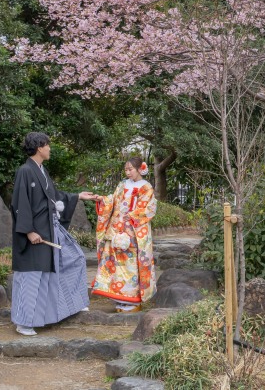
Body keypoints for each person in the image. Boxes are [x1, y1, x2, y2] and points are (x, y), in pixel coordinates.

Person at [9, 132, 98, 336]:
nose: (50, 148)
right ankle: (24, 322)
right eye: (48, 145)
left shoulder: (41, 170)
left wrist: (78, 196)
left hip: (49, 229)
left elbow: (54, 197)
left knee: (73, 258)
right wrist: (29, 231)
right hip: (33, 233)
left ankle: (66, 307)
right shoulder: (25, 171)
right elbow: (19, 202)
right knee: (31, 276)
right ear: (40, 147)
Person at [91, 156, 158, 312]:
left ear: (139, 169)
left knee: (132, 264)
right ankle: (119, 297)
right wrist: (102, 200)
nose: (128, 172)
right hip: (117, 228)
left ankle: (133, 300)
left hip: (134, 230)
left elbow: (148, 208)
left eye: (130, 169)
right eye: (126, 169)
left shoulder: (146, 187)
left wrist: (131, 218)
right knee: (116, 262)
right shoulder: (122, 185)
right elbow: (113, 200)